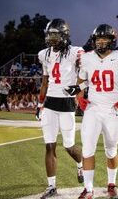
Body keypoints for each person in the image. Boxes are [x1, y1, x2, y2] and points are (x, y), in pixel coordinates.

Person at [65, 24, 118, 199]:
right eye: (98, 39)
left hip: (113, 110)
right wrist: (79, 96)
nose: (101, 42)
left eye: (104, 39)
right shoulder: (87, 58)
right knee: (87, 149)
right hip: (93, 108)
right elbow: (82, 81)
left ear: (112, 41)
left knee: (111, 150)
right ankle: (88, 188)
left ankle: (111, 182)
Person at [36, 18, 84, 198]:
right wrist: (40, 104)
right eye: (49, 35)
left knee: (69, 146)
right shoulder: (44, 54)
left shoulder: (75, 52)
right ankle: (51, 186)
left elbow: (86, 74)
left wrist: (79, 90)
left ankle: (79, 165)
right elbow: (45, 81)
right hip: (50, 103)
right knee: (49, 146)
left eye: (55, 35)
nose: (51, 38)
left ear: (64, 35)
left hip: (66, 102)